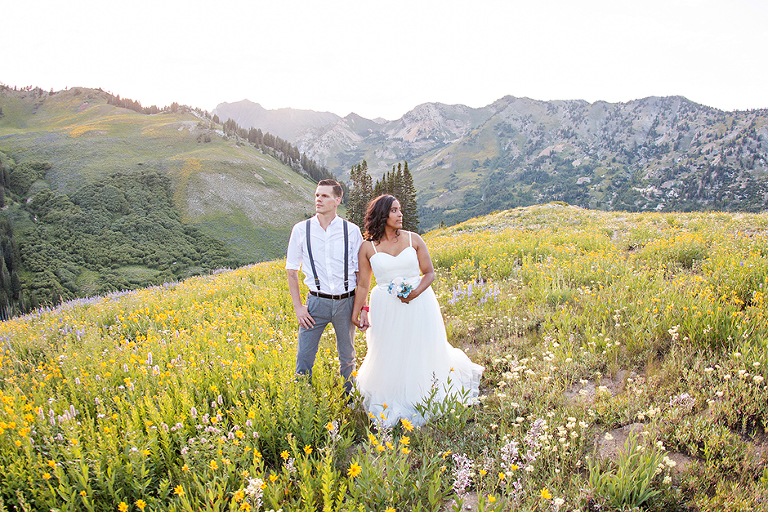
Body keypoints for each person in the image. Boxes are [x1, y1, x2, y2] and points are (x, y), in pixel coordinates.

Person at [351, 194, 483, 427]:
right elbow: (363, 283)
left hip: (419, 303)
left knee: (421, 346)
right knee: (390, 350)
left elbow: (429, 273)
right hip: (384, 307)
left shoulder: (414, 240)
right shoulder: (368, 247)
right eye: (394, 210)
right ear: (382, 214)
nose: (400, 214)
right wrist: (361, 310)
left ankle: (422, 390)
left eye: (400, 210)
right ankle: (392, 391)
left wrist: (415, 292)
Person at [286, 179, 366, 394]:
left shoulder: (351, 231)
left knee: (348, 357)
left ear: (337, 200)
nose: (318, 199)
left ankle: (350, 400)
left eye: (325, 196)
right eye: (317, 195)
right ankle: (304, 399)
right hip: (315, 303)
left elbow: (360, 274)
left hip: (346, 301)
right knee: (304, 356)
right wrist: (298, 307)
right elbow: (291, 270)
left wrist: (362, 308)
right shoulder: (301, 229)